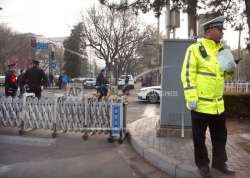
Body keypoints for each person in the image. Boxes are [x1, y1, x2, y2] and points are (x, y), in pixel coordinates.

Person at [181, 16, 236, 178]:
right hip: (199, 105)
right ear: (210, 30)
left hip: (218, 105)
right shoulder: (195, 49)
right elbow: (187, 74)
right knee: (199, 139)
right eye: (220, 30)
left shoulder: (222, 50)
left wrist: (231, 69)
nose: (222, 34)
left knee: (220, 138)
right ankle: (203, 165)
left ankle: (219, 164)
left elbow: (223, 76)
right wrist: (191, 96)